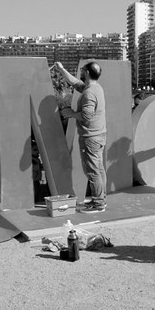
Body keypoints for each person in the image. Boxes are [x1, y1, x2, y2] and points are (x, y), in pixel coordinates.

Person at [55, 61, 108, 214]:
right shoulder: (94, 88)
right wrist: (62, 69)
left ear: (86, 73)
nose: (80, 72)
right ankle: (101, 199)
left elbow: (87, 116)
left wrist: (70, 114)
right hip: (98, 135)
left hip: (90, 137)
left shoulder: (89, 93)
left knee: (92, 171)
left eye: (82, 70)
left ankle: (98, 203)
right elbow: (75, 83)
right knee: (98, 169)